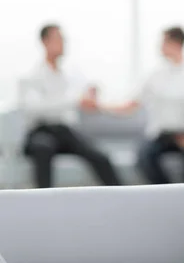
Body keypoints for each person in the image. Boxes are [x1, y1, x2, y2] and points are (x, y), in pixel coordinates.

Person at [104, 26, 184, 184]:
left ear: (175, 43)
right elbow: (130, 105)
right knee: (143, 157)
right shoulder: (154, 76)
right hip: (161, 136)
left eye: (163, 42)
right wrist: (99, 106)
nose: (159, 47)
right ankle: (167, 193)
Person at [20, 24, 121, 188]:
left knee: (100, 156)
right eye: (58, 39)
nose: (63, 43)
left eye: (63, 39)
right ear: (45, 42)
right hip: (41, 131)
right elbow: (33, 108)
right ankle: (45, 204)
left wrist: (92, 91)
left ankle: (119, 197)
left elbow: (87, 88)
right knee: (43, 148)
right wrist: (72, 100)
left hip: (64, 132)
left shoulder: (69, 72)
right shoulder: (31, 75)